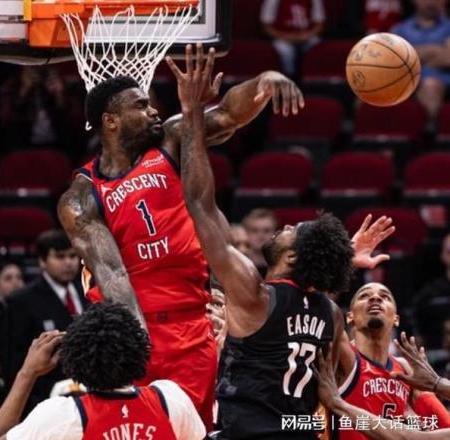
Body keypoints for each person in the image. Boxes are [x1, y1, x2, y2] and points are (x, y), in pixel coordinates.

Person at [57, 42, 304, 430]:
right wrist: (135, 348)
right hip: (135, 328)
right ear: (111, 121)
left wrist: (264, 82)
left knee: (197, 431)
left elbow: (228, 113)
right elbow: (113, 276)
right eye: (141, 106)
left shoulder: (171, 139)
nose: (153, 110)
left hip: (191, 325)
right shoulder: (81, 197)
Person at [166, 44, 393, 439]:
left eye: (292, 229)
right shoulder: (330, 313)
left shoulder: (255, 295)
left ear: (292, 256)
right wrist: (344, 259)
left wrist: (192, 114)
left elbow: (200, 204)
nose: (284, 226)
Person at [0, 302, 206, 439]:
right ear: (139, 349)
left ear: (74, 359)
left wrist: (27, 373)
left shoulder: (62, 417)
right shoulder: (170, 400)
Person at [334, 283, 450, 439]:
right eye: (364, 296)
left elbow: (444, 424)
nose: (375, 298)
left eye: (384, 296)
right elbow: (326, 312)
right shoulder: (344, 356)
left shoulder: (404, 368)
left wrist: (436, 384)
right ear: (350, 317)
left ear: (396, 319)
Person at [4, 229, 88, 412]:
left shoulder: (87, 291)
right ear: (42, 261)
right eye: (60, 256)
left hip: (87, 392)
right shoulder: (22, 300)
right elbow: (14, 358)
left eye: (72, 256)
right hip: (43, 400)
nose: (68, 262)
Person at [316, 345, 450, 440]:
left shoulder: (402, 368)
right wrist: (436, 384)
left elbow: (410, 437)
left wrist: (337, 404)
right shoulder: (349, 356)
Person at [391, 0, 450, 119]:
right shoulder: (399, 29)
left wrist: (412, 53)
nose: (430, 2)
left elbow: (447, 58)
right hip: (406, 81)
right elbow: (394, 61)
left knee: (430, 85)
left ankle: (431, 126)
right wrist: (435, 50)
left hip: (442, 81)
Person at [260, 0, 326, 76]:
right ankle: (290, 76)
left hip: (306, 36)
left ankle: (311, 77)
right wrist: (285, 36)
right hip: (282, 37)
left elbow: (319, 24)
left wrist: (307, 35)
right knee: (285, 51)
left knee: (316, 45)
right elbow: (266, 26)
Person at [413, 232, 450, 348]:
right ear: (443, 255)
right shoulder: (427, 294)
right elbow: (417, 335)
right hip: (435, 354)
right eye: (449, 251)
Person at [242, 208, 278, 272]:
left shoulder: (282, 264)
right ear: (246, 233)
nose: (261, 235)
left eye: (266, 230)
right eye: (254, 230)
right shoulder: (238, 262)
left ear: (275, 233)